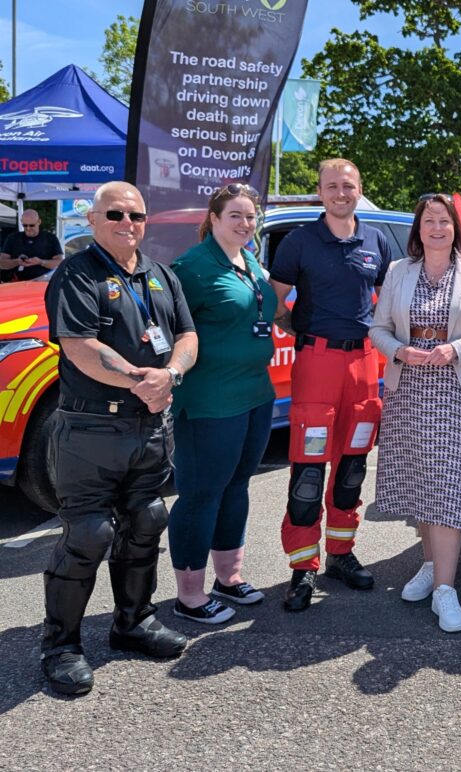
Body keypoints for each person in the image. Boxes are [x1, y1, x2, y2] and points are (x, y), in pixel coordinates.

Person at [40, 182, 198, 696]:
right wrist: (140, 380)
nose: (127, 223)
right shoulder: (76, 274)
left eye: (136, 215)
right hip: (90, 429)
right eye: (115, 214)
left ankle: (133, 623)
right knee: (88, 534)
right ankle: (61, 646)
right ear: (92, 219)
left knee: (146, 520)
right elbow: (79, 346)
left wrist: (170, 374)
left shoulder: (160, 275)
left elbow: (187, 336)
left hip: (148, 427)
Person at [369, 194, 461, 632]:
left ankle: (445, 588)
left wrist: (456, 349)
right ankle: (431, 566)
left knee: (448, 481)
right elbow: (377, 329)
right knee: (421, 479)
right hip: (408, 387)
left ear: (454, 228)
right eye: (428, 221)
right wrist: (399, 350)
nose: (436, 228)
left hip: (456, 391)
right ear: (418, 228)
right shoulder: (398, 270)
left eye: (444, 221)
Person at [269, 158, 392, 611]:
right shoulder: (300, 241)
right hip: (316, 362)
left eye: (349, 186)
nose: (341, 193)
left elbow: (389, 300)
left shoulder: (376, 240)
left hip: (364, 363)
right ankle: (303, 566)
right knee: (308, 470)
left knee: (352, 466)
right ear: (319, 192)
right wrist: (302, 332)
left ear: (359, 190)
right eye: (333, 186)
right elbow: (275, 301)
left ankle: (341, 553)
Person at [167, 184, 277, 624]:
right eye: (235, 215)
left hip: (255, 395)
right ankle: (189, 597)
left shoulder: (249, 261)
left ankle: (228, 579)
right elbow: (170, 329)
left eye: (250, 216)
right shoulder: (192, 268)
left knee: (237, 486)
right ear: (213, 218)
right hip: (210, 401)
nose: (245, 224)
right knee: (201, 494)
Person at [0, 209, 63, 282]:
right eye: (25, 225)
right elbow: (2, 263)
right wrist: (17, 262)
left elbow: (59, 263)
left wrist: (41, 262)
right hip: (17, 282)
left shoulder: (50, 238)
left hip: (43, 282)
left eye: (32, 225)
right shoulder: (13, 238)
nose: (28, 228)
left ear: (39, 222)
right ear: (21, 222)